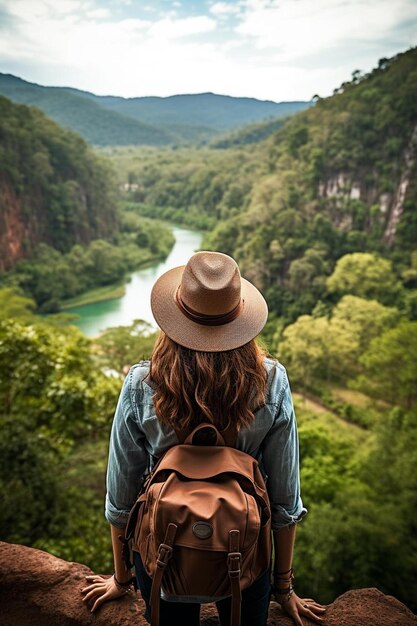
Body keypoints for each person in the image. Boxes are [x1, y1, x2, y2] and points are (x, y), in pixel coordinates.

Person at [81, 251, 326, 626]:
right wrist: (283, 587)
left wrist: (122, 576)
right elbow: (284, 501)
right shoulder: (272, 382)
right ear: (240, 319)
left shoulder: (142, 385)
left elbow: (121, 498)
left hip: (163, 555)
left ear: (175, 318)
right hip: (244, 555)